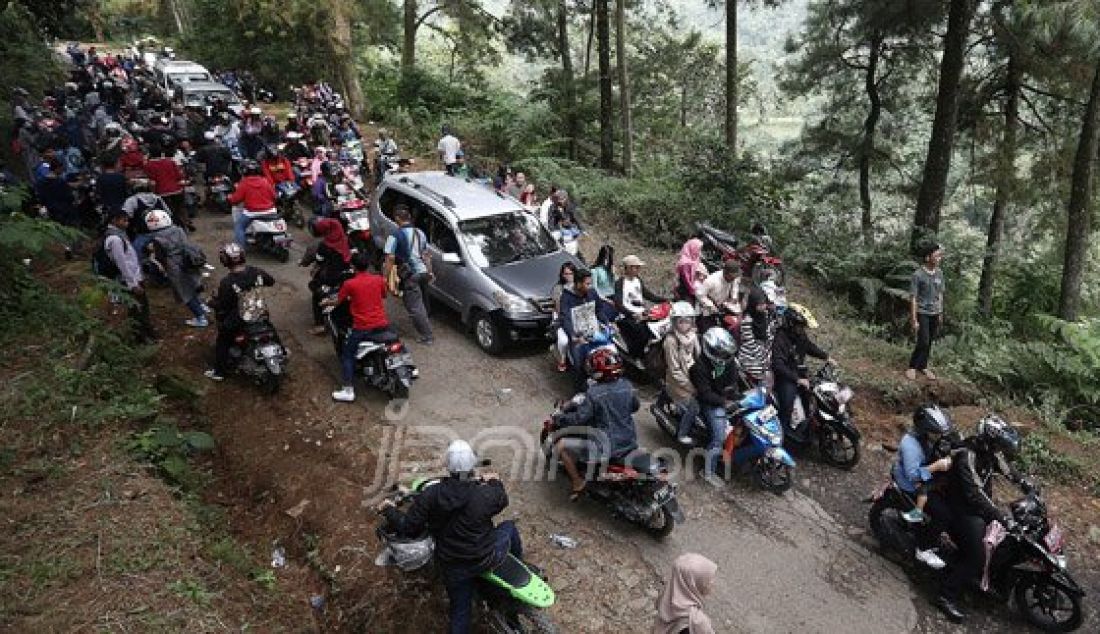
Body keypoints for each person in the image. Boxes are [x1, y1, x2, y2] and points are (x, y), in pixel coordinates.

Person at [378, 440, 521, 634]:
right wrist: (494, 480)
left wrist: (389, 510)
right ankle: (517, 567)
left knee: (460, 614)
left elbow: (407, 527)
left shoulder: (430, 495)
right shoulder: (484, 494)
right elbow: (502, 498)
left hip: (454, 566)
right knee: (509, 527)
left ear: (448, 467)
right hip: (486, 556)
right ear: (472, 465)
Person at [937, 414, 1023, 623]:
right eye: (998, 446)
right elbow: (975, 492)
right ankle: (946, 595)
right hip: (962, 511)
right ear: (989, 440)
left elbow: (1007, 469)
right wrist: (999, 515)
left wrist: (1025, 484)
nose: (1000, 451)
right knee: (978, 555)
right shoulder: (968, 454)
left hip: (978, 509)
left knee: (1008, 540)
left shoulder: (990, 452)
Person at [552, 348, 640, 500]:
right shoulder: (627, 386)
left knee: (561, 446)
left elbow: (580, 418)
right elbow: (635, 407)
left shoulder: (594, 394)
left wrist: (560, 419)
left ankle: (578, 482)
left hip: (606, 446)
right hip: (629, 440)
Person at [892, 404, 955, 571]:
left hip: (925, 476)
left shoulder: (928, 439)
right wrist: (936, 466)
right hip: (910, 482)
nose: (939, 437)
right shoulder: (910, 445)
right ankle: (923, 548)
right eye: (936, 433)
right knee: (944, 514)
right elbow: (913, 475)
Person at [204, 243, 275, 381]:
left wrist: (210, 302)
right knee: (270, 328)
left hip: (240, 318)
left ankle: (219, 372)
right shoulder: (257, 272)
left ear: (224, 260)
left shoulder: (227, 282)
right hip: (261, 312)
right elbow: (271, 281)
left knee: (223, 339)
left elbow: (223, 306)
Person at [328, 251, 392, 403]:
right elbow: (384, 295)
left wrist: (326, 303)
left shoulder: (349, 284)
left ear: (353, 267)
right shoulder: (378, 279)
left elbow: (338, 301)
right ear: (368, 265)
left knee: (347, 355)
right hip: (382, 325)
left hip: (362, 328)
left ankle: (348, 390)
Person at [771, 303, 833, 443]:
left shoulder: (799, 334)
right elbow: (778, 365)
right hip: (785, 377)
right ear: (791, 323)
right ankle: (781, 435)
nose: (802, 329)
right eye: (800, 326)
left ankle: (807, 429)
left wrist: (826, 356)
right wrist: (796, 379)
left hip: (798, 372)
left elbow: (809, 346)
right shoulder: (780, 338)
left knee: (812, 398)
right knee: (787, 403)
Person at [689, 328, 739, 488]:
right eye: (722, 353)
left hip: (723, 397)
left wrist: (734, 393)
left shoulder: (728, 362)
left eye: (726, 354)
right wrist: (724, 402)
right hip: (709, 403)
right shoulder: (699, 367)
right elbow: (705, 394)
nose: (725, 357)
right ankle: (708, 472)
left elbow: (733, 380)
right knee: (718, 438)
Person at [144, 209, 208, 327]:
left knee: (185, 293)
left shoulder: (156, 239)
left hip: (174, 266)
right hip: (189, 260)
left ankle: (200, 317)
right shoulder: (178, 229)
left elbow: (160, 257)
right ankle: (202, 305)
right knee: (194, 284)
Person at [383, 205, 435, 345]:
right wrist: (429, 272)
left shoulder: (393, 236)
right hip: (423, 272)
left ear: (397, 219)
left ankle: (427, 336)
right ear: (409, 218)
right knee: (423, 300)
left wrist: (385, 277)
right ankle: (426, 321)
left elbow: (390, 258)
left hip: (410, 274)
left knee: (414, 306)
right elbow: (426, 255)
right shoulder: (420, 232)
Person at [560, 268, 618, 392]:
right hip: (578, 336)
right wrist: (573, 336)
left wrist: (608, 323)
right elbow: (565, 318)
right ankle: (579, 393)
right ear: (578, 284)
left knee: (612, 354)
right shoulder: (566, 297)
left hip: (594, 332)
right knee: (579, 364)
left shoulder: (592, 293)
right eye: (587, 283)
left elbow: (599, 311)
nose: (590, 286)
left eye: (590, 283)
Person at [103, 209, 157, 342]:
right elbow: (122, 263)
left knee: (141, 307)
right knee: (138, 308)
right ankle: (141, 336)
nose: (127, 223)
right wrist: (132, 284)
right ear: (114, 221)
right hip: (129, 281)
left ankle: (146, 332)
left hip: (134, 277)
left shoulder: (120, 235)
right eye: (124, 220)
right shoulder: (115, 239)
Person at [305, 217, 352, 335]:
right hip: (348, 275)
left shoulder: (324, 245)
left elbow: (319, 261)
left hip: (331, 278)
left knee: (316, 291)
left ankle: (320, 325)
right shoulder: (347, 240)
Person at [663, 302, 701, 446]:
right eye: (681, 321)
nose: (685, 325)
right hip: (678, 381)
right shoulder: (671, 341)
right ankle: (682, 433)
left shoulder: (693, 335)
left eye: (688, 321)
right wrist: (691, 387)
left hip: (692, 374)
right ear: (674, 322)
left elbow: (699, 355)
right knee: (695, 406)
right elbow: (674, 370)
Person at [614, 255, 666, 358]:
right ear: (628, 268)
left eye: (638, 267)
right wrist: (632, 314)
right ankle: (637, 355)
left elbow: (647, 294)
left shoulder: (637, 280)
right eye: (635, 267)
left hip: (642, 313)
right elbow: (619, 304)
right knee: (641, 332)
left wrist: (663, 300)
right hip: (627, 316)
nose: (638, 269)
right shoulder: (620, 283)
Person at [653, 553, 718, 634]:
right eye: (708, 580)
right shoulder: (697, 622)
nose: (713, 583)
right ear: (693, 584)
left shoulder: (666, 600)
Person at [907, 242, 945, 381]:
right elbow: (913, 298)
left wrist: (940, 312)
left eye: (940, 256)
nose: (939, 258)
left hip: (935, 312)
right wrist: (914, 319)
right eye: (937, 256)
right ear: (928, 258)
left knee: (929, 342)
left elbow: (940, 294)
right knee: (923, 340)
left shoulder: (940, 273)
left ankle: (923, 366)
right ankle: (912, 366)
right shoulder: (918, 275)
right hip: (922, 312)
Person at [227, 159, 277, 248]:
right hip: (270, 211)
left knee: (239, 226)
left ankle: (240, 248)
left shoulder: (244, 183)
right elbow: (274, 195)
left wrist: (230, 198)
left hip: (253, 213)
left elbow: (236, 199)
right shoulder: (265, 181)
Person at [144, 148, 192, 231]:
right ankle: (186, 224)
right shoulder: (170, 161)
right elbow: (179, 176)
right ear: (162, 153)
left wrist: (153, 192)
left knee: (165, 212)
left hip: (162, 193)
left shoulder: (149, 165)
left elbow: (152, 182)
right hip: (177, 190)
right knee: (180, 209)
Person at [737, 287, 776, 385]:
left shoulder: (765, 315)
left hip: (763, 348)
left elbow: (769, 334)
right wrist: (763, 358)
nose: (763, 306)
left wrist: (767, 351)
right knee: (762, 372)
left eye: (764, 303)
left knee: (773, 368)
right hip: (749, 353)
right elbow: (750, 344)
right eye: (760, 304)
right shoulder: (747, 320)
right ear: (753, 304)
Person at [697, 260, 742, 331]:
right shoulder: (711, 280)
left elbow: (735, 287)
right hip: (708, 310)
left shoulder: (734, 278)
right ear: (725, 272)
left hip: (724, 307)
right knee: (710, 332)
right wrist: (710, 305)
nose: (733, 279)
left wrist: (734, 297)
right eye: (731, 277)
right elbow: (700, 294)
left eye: (734, 277)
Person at [551, 262, 577, 373]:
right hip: (562, 316)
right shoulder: (558, 288)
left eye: (571, 273)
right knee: (564, 340)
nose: (568, 276)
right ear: (562, 275)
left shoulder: (578, 286)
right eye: (566, 274)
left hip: (577, 314)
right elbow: (558, 308)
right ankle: (562, 358)